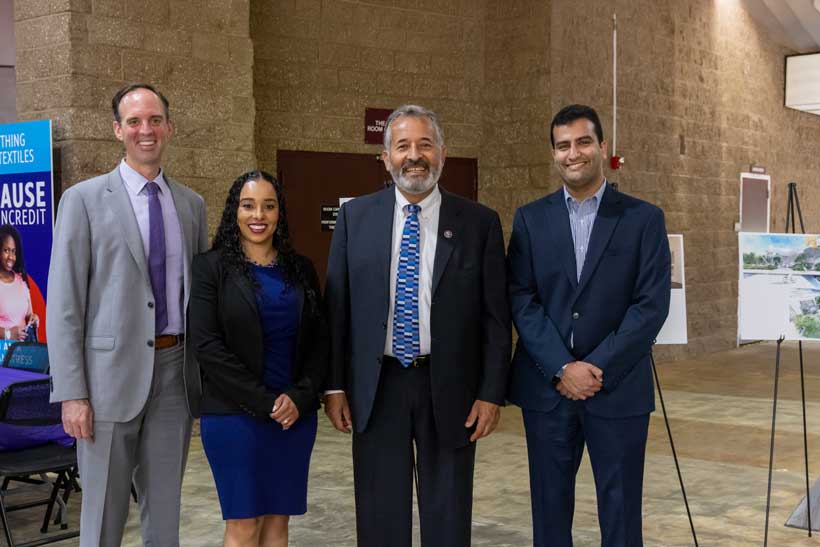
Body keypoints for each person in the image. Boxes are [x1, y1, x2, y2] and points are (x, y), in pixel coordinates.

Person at [324, 104, 511, 547]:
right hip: (377, 387)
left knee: (447, 516)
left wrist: (491, 392)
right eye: (402, 145)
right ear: (385, 158)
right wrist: (333, 386)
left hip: (451, 388)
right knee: (379, 514)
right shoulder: (355, 219)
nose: (414, 155)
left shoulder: (479, 224)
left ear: (442, 154)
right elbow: (337, 309)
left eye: (425, 144)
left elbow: (496, 317)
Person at [47, 82, 209, 547]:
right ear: (117, 129)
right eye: (134, 121)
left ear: (169, 128)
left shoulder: (191, 205)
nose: (146, 130)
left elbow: (197, 299)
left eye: (155, 120)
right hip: (105, 384)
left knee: (164, 518)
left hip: (174, 374)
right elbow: (63, 306)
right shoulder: (82, 200)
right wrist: (72, 392)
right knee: (102, 518)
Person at [507, 104, 671, 547]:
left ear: (602, 147)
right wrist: (563, 366)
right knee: (549, 512)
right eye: (563, 145)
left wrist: (595, 367)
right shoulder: (529, 219)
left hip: (617, 390)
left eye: (582, 142)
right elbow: (521, 299)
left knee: (620, 516)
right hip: (547, 390)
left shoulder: (643, 219)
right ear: (554, 154)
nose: (572, 153)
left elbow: (651, 305)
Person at [189, 170, 328, 547]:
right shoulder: (210, 268)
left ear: (280, 213)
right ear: (234, 211)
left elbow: (320, 342)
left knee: (278, 523)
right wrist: (266, 402)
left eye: (269, 206)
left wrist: (300, 397)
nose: (259, 215)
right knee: (244, 526)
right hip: (235, 418)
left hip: (293, 418)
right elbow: (207, 347)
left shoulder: (301, 269)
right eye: (248, 205)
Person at [0, 224, 38, 345]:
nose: (11, 257)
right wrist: (8, 334)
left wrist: (33, 319)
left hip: (23, 355)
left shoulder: (21, 281)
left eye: (13, 251)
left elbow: (28, 314)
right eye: (6, 250)